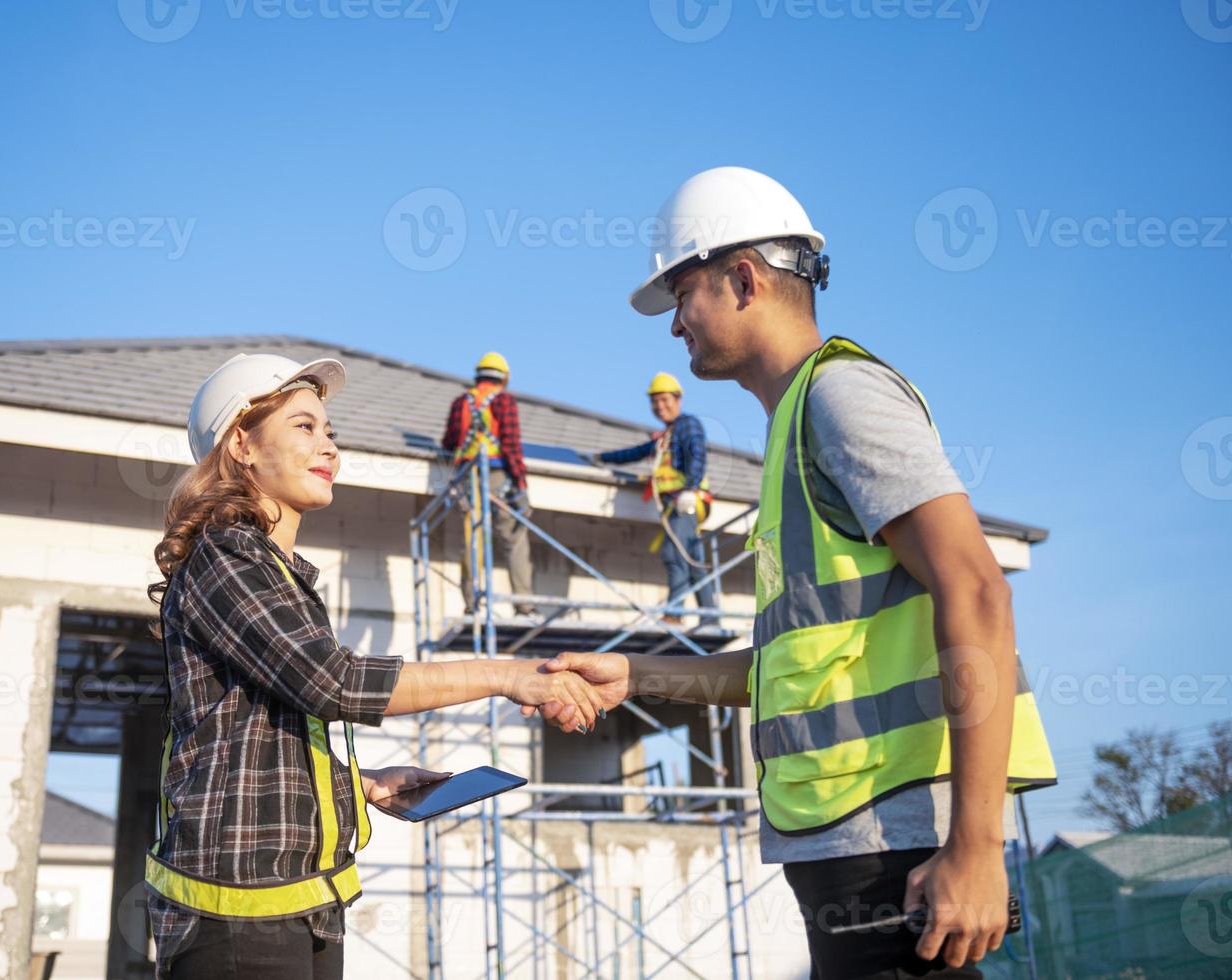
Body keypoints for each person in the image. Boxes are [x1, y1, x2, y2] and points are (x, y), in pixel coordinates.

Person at [532, 167, 1057, 979]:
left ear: (743, 278)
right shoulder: (791, 432)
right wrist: (633, 675)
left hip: (901, 847)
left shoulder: (840, 398)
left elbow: (977, 589)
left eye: (683, 294)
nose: (675, 324)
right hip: (850, 841)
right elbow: (787, 673)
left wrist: (976, 847)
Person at [146, 352, 602, 979]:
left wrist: (354, 784)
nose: (329, 445)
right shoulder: (226, 558)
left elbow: (249, 745)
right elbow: (333, 682)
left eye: (329, 430)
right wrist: (508, 675)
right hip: (235, 918)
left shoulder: (277, 575)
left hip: (300, 906)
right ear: (242, 446)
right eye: (305, 426)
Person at [590, 371, 717, 626]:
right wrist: (603, 458)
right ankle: (710, 617)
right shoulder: (665, 437)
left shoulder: (687, 425)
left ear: (678, 399)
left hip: (686, 501)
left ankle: (674, 614)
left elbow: (697, 455)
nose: (660, 406)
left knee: (674, 553)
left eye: (665, 400)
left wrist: (690, 489)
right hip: (677, 503)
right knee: (693, 559)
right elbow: (636, 453)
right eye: (655, 402)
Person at [440, 351, 537, 617]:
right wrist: (521, 484)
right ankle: (524, 605)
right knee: (514, 536)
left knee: (474, 537)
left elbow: (448, 443)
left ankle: (471, 602)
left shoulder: (462, 401)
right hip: (497, 475)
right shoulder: (504, 400)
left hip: (467, 478)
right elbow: (511, 445)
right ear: (503, 378)